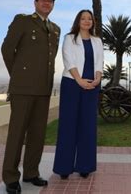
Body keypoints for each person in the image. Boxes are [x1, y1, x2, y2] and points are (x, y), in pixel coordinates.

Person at [1, 0, 60, 194]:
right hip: (23, 88)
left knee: (37, 134)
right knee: (17, 134)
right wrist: (18, 76)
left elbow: (50, 60)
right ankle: (10, 177)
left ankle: (31, 172)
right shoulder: (22, 22)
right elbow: (7, 50)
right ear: (35, 2)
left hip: (43, 89)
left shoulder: (55, 29)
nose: (46, 2)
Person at [53, 10, 104, 180]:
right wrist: (79, 80)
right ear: (78, 21)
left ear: (93, 22)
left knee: (88, 126)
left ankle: (85, 166)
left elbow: (99, 62)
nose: (87, 21)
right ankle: (64, 168)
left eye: (89, 18)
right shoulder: (69, 38)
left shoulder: (97, 41)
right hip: (72, 84)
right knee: (68, 125)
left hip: (92, 86)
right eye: (83, 18)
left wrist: (97, 78)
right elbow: (68, 60)